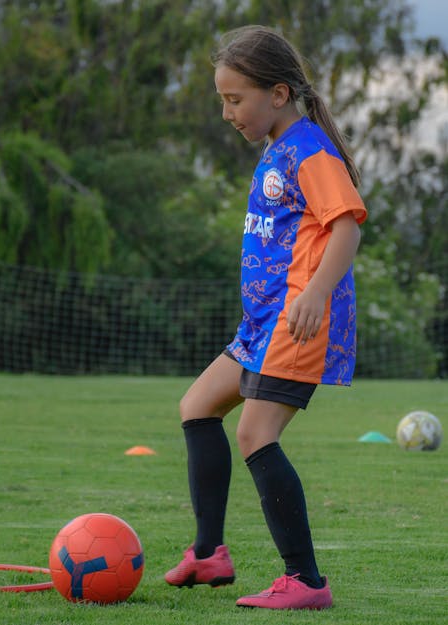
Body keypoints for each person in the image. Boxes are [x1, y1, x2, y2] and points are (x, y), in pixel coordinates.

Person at [164, 25, 367, 610]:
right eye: (222, 100)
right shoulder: (280, 149)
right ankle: (209, 556)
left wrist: (315, 295)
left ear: (277, 94)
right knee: (197, 406)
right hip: (261, 325)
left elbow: (346, 226)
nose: (228, 113)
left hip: (297, 322)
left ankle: (305, 581)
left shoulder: (309, 149)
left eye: (235, 100)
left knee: (255, 435)